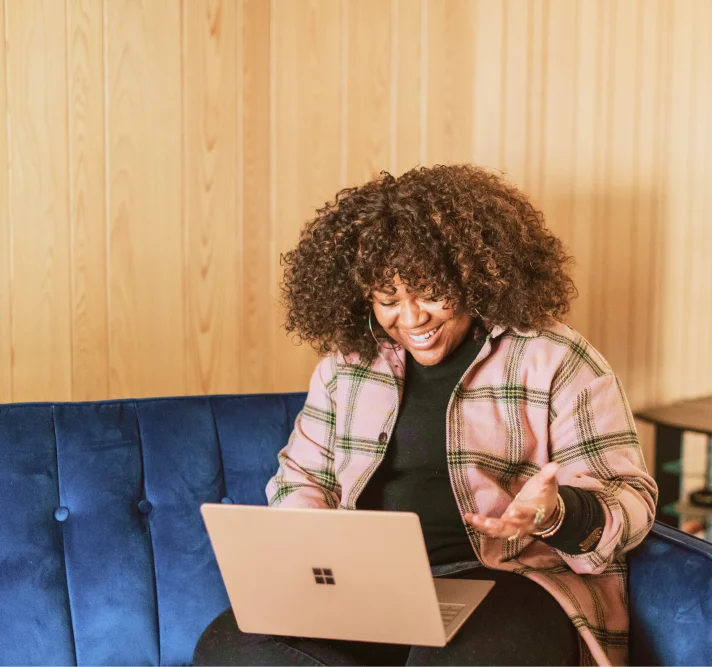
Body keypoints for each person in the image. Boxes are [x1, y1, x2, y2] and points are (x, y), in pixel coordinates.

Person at [194, 165, 657, 667]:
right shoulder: (344, 366)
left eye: (431, 293)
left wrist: (557, 511)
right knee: (230, 647)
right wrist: (314, 552)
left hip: (510, 584)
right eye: (388, 300)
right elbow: (303, 478)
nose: (412, 319)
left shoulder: (555, 359)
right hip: (369, 589)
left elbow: (631, 500)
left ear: (475, 276)